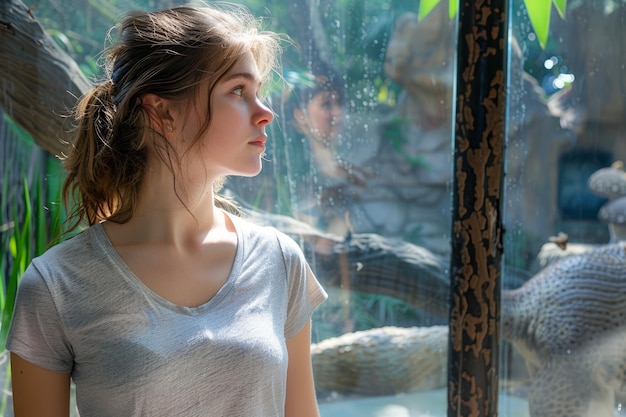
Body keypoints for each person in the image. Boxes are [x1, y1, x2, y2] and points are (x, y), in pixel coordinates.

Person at [6, 4, 327, 417]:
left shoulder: (280, 261)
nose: (266, 112)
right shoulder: (56, 285)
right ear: (161, 112)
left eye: (258, 91)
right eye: (237, 91)